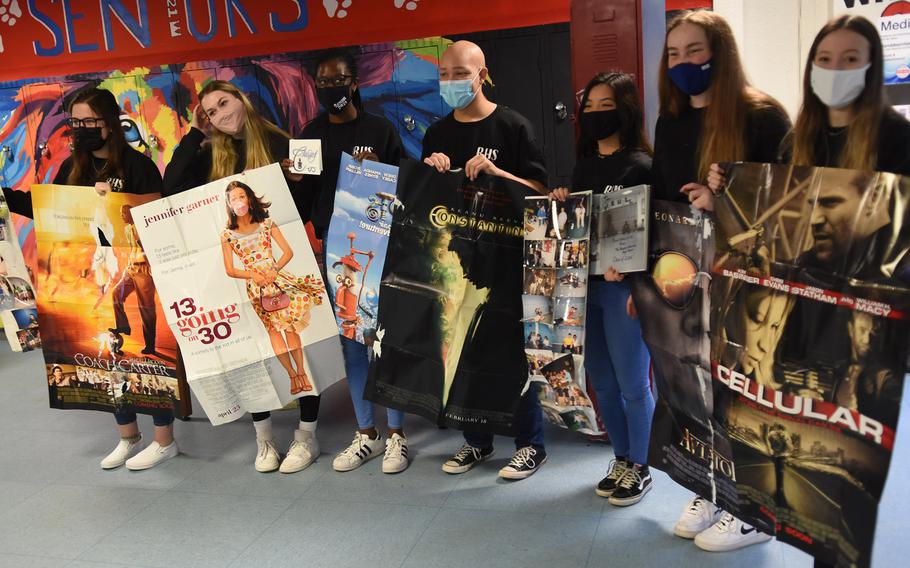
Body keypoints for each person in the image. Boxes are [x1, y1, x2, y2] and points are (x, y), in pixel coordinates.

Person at [652, 10, 791, 552]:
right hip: (687, 279)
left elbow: (787, 206)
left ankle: (754, 511)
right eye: (674, 54)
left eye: (695, 51)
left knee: (744, 395)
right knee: (699, 391)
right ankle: (714, 486)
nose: (684, 63)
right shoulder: (671, 121)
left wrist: (725, 201)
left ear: (722, 53)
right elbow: (665, 202)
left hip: (749, 282)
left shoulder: (763, 116)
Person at [3, 88, 179, 470]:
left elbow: (156, 213)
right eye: (76, 122)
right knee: (107, 357)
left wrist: (116, 201)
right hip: (93, 276)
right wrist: (7, 199)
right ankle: (128, 435)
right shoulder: (72, 168)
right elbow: (48, 210)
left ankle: (164, 439)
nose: (81, 130)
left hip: (137, 268)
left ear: (110, 123)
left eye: (89, 122)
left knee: (145, 356)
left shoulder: (137, 165)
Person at [163, 80, 317, 474]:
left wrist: (296, 186)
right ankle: (264, 439)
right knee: (249, 352)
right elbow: (172, 187)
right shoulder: (211, 152)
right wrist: (195, 132)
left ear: (241, 100)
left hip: (283, 270)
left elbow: (310, 207)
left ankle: (306, 436)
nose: (220, 114)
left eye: (224, 103)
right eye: (210, 112)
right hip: (240, 278)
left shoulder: (281, 142)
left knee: (303, 345)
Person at [423, 40, 549, 480]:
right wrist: (430, 170)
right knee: (465, 350)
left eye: (461, 72)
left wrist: (500, 174)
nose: (452, 81)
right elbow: (425, 204)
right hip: (458, 264)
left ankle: (531, 443)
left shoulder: (513, 126)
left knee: (513, 352)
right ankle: (476, 441)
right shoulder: (438, 133)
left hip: (508, 260)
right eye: (444, 72)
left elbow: (540, 193)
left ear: (482, 74)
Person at [298, 49, 411, 475]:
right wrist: (294, 181)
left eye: (337, 80)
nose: (331, 89)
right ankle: (367, 434)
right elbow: (302, 203)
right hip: (335, 249)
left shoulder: (379, 130)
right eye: (323, 82)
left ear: (354, 83)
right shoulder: (309, 135)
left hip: (380, 247)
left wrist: (382, 173)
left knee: (382, 340)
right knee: (353, 343)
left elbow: (406, 190)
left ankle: (398, 434)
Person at [552, 71, 656, 507]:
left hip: (624, 292)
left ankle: (642, 466)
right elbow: (578, 227)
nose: (594, 114)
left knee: (634, 382)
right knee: (602, 382)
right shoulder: (584, 164)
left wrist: (636, 279)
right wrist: (562, 202)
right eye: (589, 107)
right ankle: (621, 457)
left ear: (626, 109)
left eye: (605, 106)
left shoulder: (644, 166)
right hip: (583, 289)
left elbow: (656, 235)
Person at [220, 180, 326, 395]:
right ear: (229, 205)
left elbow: (287, 251)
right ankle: (292, 376)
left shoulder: (267, 224)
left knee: (289, 327)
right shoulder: (227, 234)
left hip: (278, 280)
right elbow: (230, 270)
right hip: (257, 287)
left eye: (242, 196)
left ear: (249, 199)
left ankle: (302, 372)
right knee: (273, 330)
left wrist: (274, 269)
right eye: (234, 198)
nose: (239, 201)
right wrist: (253, 274)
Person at [109, 205, 157, 355]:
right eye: (120, 214)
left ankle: (150, 345)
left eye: (124, 213)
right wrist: (128, 265)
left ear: (131, 213)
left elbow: (147, 246)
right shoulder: (127, 229)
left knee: (146, 308)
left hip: (144, 270)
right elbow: (132, 249)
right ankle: (123, 326)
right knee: (116, 293)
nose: (122, 216)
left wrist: (151, 265)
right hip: (131, 269)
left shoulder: (141, 226)